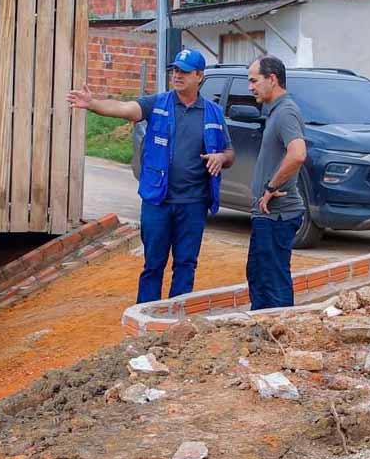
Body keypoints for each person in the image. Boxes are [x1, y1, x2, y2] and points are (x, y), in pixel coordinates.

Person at [67, 49, 234, 303]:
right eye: (175, 70)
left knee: (186, 264)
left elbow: (230, 152)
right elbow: (125, 108)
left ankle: (177, 318)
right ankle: (146, 316)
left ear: (199, 75)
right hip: (159, 201)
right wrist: (93, 105)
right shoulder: (158, 104)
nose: (177, 75)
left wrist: (221, 158)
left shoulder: (212, 113)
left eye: (184, 71)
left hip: (193, 203)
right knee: (153, 264)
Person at [245, 56, 307, 310]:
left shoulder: (286, 112)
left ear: (272, 79)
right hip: (268, 216)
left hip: (278, 215)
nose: (250, 87)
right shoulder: (276, 111)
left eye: (254, 80)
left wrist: (271, 188)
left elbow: (298, 154)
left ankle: (279, 333)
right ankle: (264, 334)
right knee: (260, 275)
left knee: (273, 279)